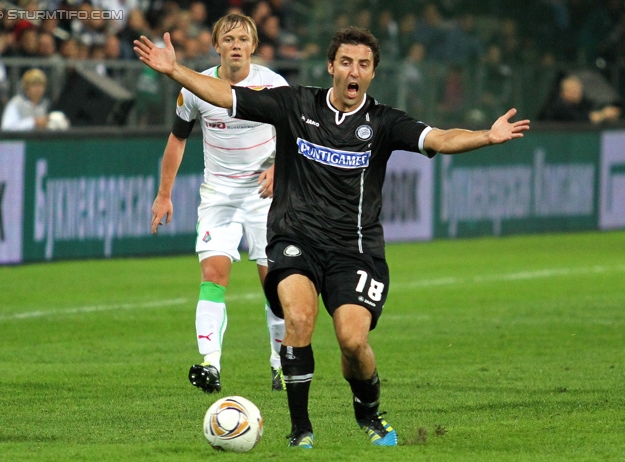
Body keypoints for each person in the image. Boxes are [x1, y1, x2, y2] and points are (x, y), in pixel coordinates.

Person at [135, 26, 530, 448]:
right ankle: (300, 429)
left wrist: (486, 136)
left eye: (363, 64)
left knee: (352, 340)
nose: (353, 71)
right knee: (299, 320)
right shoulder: (295, 103)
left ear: (373, 72)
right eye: (346, 62)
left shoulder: (383, 122)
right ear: (331, 67)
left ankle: (369, 414)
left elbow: (438, 138)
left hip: (355, 248)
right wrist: (175, 70)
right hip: (296, 237)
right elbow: (224, 95)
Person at [149, 13, 288, 394]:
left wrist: (279, 167)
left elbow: (295, 135)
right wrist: (164, 194)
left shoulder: (273, 85)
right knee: (212, 275)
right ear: (217, 46)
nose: (236, 45)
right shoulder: (197, 88)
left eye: (243, 39)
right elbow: (177, 139)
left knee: (274, 284)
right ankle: (210, 365)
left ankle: (280, 362)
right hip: (219, 195)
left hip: (265, 196)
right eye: (228, 39)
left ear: (254, 46)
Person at [539, 74, 621, 124]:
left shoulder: (577, 105)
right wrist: (603, 114)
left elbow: (585, 115)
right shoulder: (559, 106)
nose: (577, 94)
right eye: (573, 91)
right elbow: (583, 120)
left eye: (578, 90)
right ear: (563, 93)